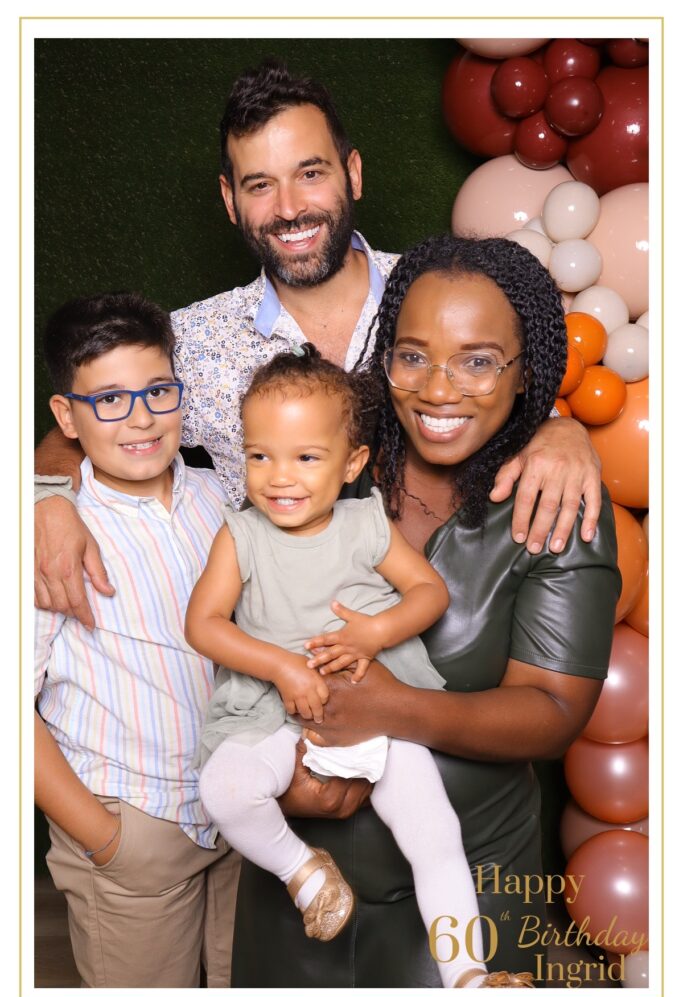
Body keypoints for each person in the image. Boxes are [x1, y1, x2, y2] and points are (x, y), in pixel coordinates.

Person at [34, 59, 603, 635]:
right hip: (284, 654)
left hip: (458, 629)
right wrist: (48, 496)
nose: (288, 208)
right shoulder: (196, 341)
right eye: (260, 185)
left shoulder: (437, 292)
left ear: (352, 173)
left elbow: (505, 389)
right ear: (230, 200)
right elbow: (89, 416)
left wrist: (563, 428)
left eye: (310, 173)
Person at [229, 235, 621, 988]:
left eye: (477, 361)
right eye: (412, 355)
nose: (438, 389)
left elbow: (553, 710)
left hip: (465, 904)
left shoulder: (553, 497)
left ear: (525, 373)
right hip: (299, 888)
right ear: (385, 358)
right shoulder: (320, 463)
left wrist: (393, 709)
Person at [184, 345, 531, 988]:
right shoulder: (241, 535)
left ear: (353, 464)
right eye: (260, 456)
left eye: (306, 457)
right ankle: (303, 870)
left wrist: (375, 632)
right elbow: (202, 625)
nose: (279, 476)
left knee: (433, 831)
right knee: (223, 792)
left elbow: (429, 593)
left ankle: (467, 974)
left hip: (378, 712)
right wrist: (283, 667)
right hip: (273, 713)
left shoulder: (366, 524)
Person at [34, 293, 239, 988]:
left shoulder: (219, 497)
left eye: (157, 390)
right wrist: (106, 842)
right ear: (65, 416)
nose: (142, 418)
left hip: (239, 812)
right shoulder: (43, 533)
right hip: (135, 823)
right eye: (110, 400)